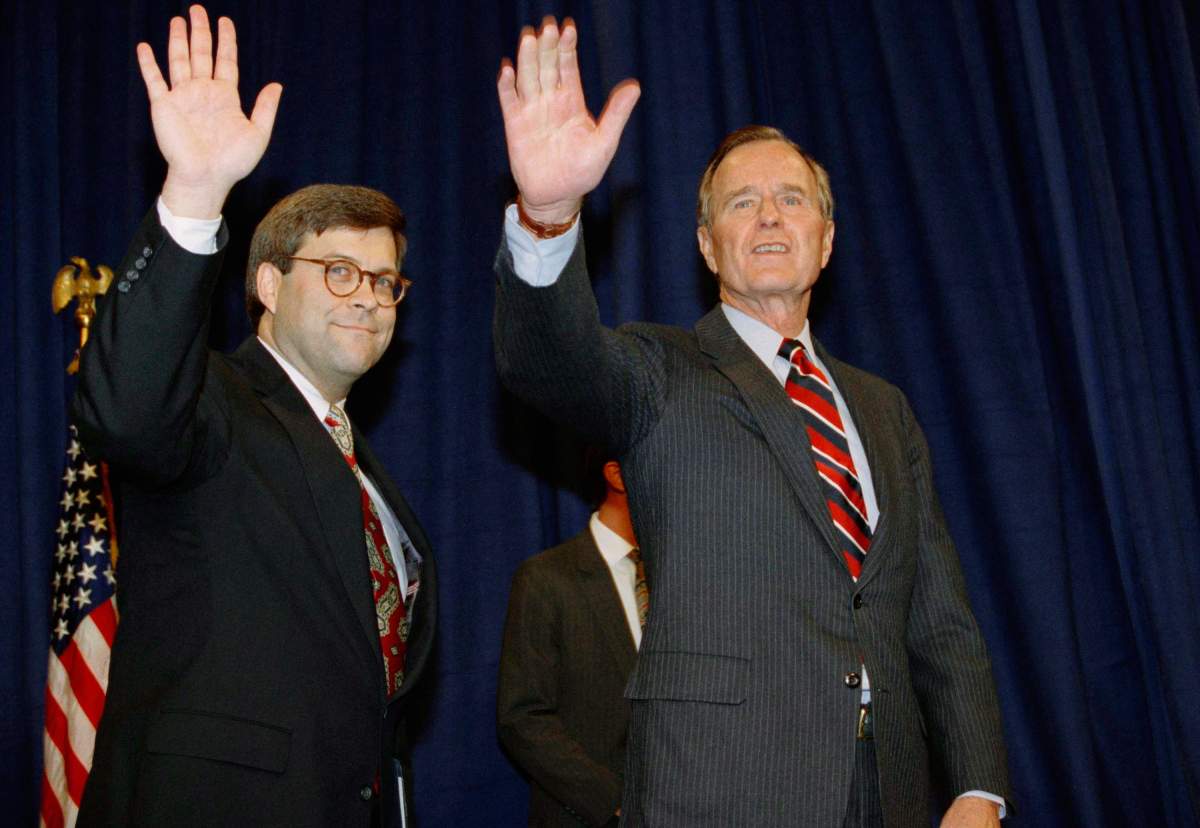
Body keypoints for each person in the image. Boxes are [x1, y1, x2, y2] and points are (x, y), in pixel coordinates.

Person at [493, 17, 1010, 828]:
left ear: (826, 239)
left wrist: (979, 786)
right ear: (707, 245)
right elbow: (548, 363)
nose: (770, 217)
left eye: (791, 200)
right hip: (725, 789)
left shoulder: (882, 406)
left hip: (894, 793)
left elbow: (940, 618)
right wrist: (550, 216)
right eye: (743, 203)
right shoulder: (659, 371)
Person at [71, 7, 435, 826]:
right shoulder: (211, 402)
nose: (371, 299)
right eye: (340, 271)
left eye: (385, 283)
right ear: (268, 286)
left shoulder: (360, 468)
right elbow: (126, 413)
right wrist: (195, 196)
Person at [498, 457, 644, 827]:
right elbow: (522, 718)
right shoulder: (547, 578)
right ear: (616, 475)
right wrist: (616, 801)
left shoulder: (677, 577)